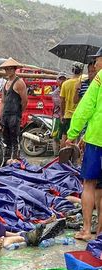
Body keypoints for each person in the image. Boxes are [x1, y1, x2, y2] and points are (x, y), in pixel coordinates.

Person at [67, 48, 102, 240]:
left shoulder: (100, 78)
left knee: (89, 184)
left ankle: (87, 229)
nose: (95, 65)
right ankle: (101, 232)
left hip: (97, 139)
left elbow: (86, 107)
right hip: (95, 136)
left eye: (97, 60)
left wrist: (72, 134)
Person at [0, 58, 28, 163]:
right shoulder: (6, 83)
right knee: (6, 140)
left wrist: (19, 113)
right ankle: (6, 162)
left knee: (15, 140)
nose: (7, 71)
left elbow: (24, 101)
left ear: (14, 70)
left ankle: (15, 160)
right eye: (6, 69)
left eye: (10, 69)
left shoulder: (19, 83)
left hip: (14, 116)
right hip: (6, 115)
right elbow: (3, 102)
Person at [60, 62, 83, 148]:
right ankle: (75, 159)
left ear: (72, 70)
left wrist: (62, 114)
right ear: (81, 71)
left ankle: (62, 157)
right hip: (78, 115)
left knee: (64, 136)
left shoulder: (65, 84)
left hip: (67, 115)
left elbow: (62, 101)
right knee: (76, 138)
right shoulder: (82, 83)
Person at [51, 72, 67, 155]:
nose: (62, 81)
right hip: (57, 116)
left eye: (63, 79)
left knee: (64, 137)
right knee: (55, 137)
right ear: (57, 80)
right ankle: (56, 154)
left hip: (66, 116)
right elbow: (60, 104)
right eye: (60, 79)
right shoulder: (55, 93)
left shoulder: (67, 91)